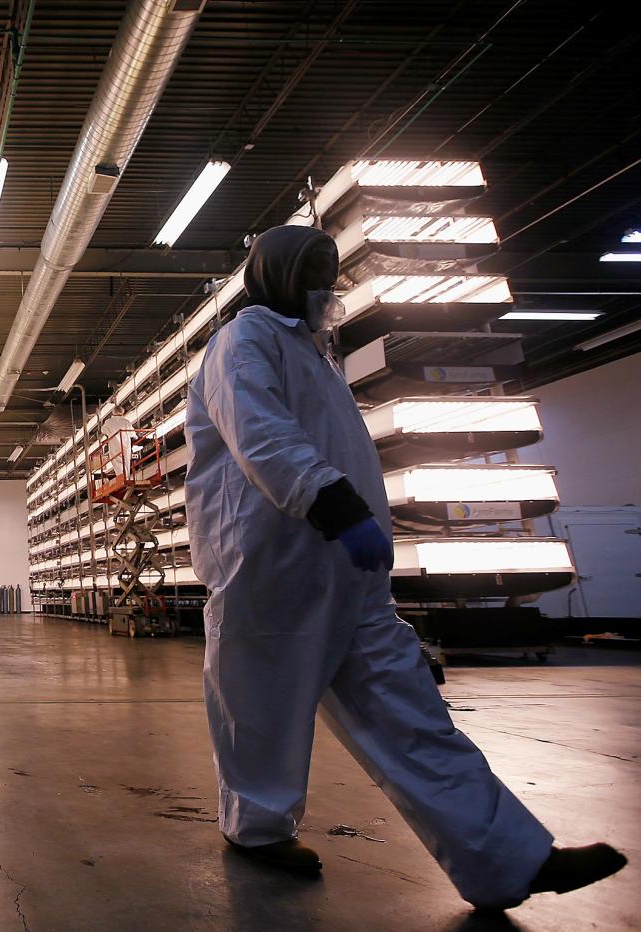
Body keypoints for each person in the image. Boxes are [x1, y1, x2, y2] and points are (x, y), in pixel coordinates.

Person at [184, 225, 626, 910]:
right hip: (269, 566)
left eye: (328, 276)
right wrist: (329, 502)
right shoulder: (245, 342)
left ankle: (509, 862)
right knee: (261, 709)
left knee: (413, 716)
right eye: (313, 275)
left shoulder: (318, 357)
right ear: (275, 276)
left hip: (350, 572)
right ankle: (258, 829)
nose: (323, 291)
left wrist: (358, 526)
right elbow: (261, 433)